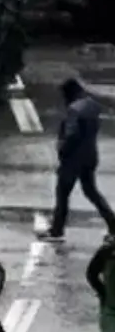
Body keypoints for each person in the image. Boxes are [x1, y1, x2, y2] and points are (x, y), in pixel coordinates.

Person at [43, 77, 115, 240]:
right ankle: (113, 224)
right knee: (92, 192)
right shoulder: (93, 106)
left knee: (62, 194)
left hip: (72, 160)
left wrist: (62, 148)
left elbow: (71, 134)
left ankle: (57, 230)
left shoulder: (74, 110)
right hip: (90, 156)